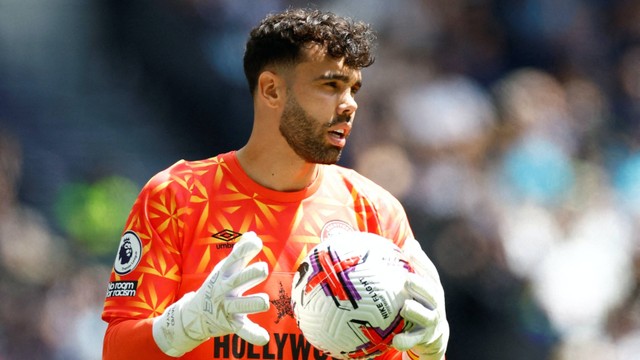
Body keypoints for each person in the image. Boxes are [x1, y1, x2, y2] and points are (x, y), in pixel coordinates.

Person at [101, 8, 449, 360]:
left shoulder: (375, 211)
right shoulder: (177, 197)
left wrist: (429, 352)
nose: (349, 105)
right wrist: (186, 324)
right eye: (330, 86)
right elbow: (117, 351)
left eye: (353, 89)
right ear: (270, 90)